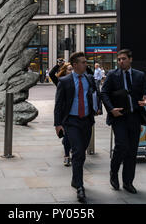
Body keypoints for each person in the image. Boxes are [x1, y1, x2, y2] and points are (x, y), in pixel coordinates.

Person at [54, 52, 102, 203]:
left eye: (85, 62)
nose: (85, 64)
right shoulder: (65, 81)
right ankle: (80, 187)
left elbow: (95, 94)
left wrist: (98, 107)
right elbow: (58, 104)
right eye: (82, 62)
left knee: (82, 153)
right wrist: (57, 124)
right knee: (78, 151)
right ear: (74, 65)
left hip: (87, 121)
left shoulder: (89, 78)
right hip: (72, 122)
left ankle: (75, 180)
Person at [101, 48, 146, 194]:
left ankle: (128, 182)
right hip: (119, 116)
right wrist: (111, 109)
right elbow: (104, 93)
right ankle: (113, 172)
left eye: (123, 59)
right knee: (121, 145)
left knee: (132, 150)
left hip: (135, 116)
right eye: (119, 59)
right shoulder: (112, 75)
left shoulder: (139, 75)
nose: (121, 61)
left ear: (130, 59)